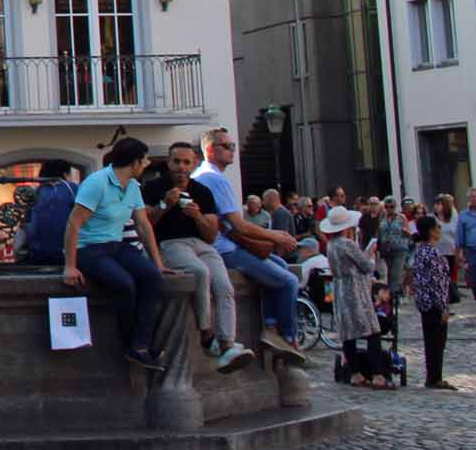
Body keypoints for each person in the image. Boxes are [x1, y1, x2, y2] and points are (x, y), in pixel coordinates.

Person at [191, 128, 308, 363]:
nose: (233, 150)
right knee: (289, 281)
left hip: (224, 246)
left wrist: (272, 235)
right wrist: (276, 237)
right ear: (211, 150)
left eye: (233, 146)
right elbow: (239, 225)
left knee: (280, 266)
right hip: (226, 251)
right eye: (227, 146)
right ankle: (288, 339)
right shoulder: (213, 178)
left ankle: (272, 326)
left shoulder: (202, 175)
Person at [141, 141, 253, 373]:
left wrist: (198, 216)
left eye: (186, 162)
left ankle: (227, 343)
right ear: (168, 162)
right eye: (176, 161)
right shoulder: (152, 188)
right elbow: (145, 225)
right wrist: (165, 204)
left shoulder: (202, 192)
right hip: (170, 243)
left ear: (194, 165)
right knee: (200, 272)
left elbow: (211, 235)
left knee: (224, 285)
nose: (181, 167)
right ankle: (206, 335)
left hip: (200, 243)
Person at [61, 136, 169, 371]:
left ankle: (140, 344)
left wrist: (157, 263)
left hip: (116, 245)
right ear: (134, 163)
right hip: (89, 249)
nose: (147, 164)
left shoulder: (132, 187)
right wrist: (70, 265)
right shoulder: (96, 183)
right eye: (144, 160)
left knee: (152, 278)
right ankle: (132, 345)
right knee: (125, 284)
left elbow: (143, 225)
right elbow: (74, 224)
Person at [317, 204, 388, 386]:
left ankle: (355, 373)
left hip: (340, 288)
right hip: (355, 291)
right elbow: (366, 266)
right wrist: (371, 254)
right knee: (372, 331)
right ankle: (378, 375)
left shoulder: (331, 245)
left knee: (348, 333)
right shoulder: (347, 244)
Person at [409, 215, 453, 388]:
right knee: (437, 342)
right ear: (432, 231)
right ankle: (435, 378)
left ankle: (433, 376)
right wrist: (443, 307)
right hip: (434, 304)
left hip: (424, 303)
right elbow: (437, 283)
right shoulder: (432, 252)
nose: (440, 230)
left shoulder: (420, 250)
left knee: (431, 341)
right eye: (438, 228)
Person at [450, 194, 476, 300]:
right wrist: (458, 253)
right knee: (473, 279)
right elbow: (459, 235)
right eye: (473, 197)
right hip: (471, 251)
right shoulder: (463, 215)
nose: (474, 199)